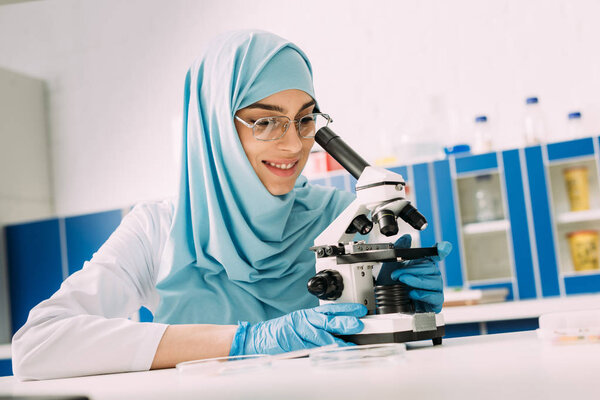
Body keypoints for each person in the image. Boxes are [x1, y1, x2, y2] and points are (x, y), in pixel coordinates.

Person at [11, 30, 449, 380]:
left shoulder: (341, 219)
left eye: (305, 118)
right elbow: (37, 346)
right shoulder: (159, 230)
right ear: (215, 126)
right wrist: (245, 341)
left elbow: (382, 363)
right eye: (265, 121)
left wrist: (402, 306)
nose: (294, 144)